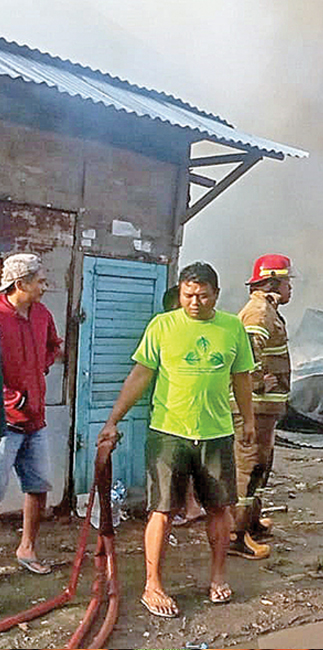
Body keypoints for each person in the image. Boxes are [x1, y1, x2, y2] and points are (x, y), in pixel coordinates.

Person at [97, 262, 256, 618]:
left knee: (219, 508)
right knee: (162, 510)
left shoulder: (232, 328)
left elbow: (242, 378)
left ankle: (217, 577)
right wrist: (112, 420)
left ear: (216, 294)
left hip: (216, 434)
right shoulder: (163, 325)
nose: (194, 302)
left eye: (201, 295)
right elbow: (140, 375)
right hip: (168, 433)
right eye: (187, 295)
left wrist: (247, 421)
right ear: (180, 294)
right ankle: (152, 585)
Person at [0, 253, 62, 575]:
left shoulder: (41, 314)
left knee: (38, 487)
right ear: (20, 283)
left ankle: (27, 548)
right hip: (4, 424)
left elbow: (54, 346)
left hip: (35, 420)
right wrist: (11, 395)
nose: (44, 287)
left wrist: (40, 368)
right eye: (39, 281)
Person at [229, 255, 293, 560]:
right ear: (272, 283)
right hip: (252, 408)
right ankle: (235, 536)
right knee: (248, 468)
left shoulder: (268, 310)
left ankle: (251, 523)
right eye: (287, 281)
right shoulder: (259, 313)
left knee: (260, 467)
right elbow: (247, 355)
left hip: (264, 409)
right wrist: (256, 384)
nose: (290, 287)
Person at [161, 285, 206, 528]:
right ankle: (189, 506)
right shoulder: (167, 332)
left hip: (186, 411)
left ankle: (189, 507)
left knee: (183, 463)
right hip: (176, 410)